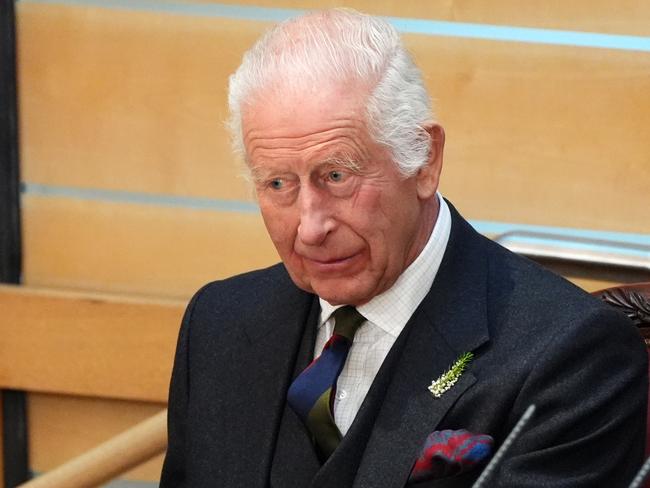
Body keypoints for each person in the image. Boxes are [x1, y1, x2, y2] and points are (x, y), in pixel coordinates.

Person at [160, 8, 647, 488]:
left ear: (424, 161)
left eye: (336, 176)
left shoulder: (570, 354)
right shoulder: (217, 324)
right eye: (278, 183)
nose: (310, 227)